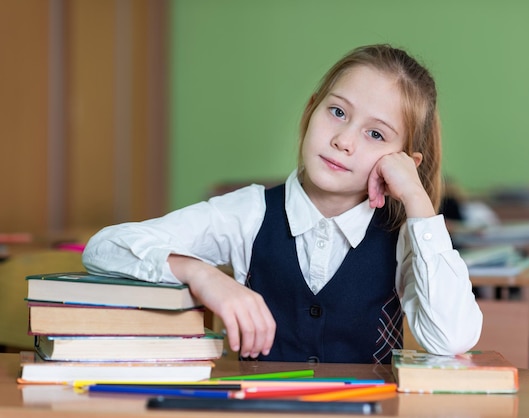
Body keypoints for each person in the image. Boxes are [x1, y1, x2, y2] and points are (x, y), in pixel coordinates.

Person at [82, 44, 482, 364]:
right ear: (311, 111)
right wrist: (200, 274)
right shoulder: (249, 213)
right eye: (337, 112)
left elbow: (451, 339)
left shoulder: (405, 240)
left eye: (376, 134)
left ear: (405, 164)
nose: (344, 139)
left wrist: (416, 201)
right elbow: (103, 248)